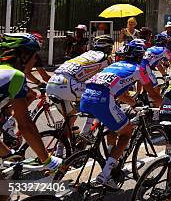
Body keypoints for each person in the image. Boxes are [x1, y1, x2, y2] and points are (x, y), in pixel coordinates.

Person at [80, 39, 162, 188]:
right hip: (103, 100)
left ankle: (112, 157)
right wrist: (166, 108)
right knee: (127, 132)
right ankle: (106, 174)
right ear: (139, 57)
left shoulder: (114, 66)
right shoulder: (138, 70)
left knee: (115, 126)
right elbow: (153, 95)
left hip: (86, 96)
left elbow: (121, 93)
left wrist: (134, 104)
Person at [0, 33, 62, 170]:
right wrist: (46, 159)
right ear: (24, 56)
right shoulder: (14, 76)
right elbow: (25, 125)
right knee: (5, 186)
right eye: (34, 57)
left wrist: (7, 154)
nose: (34, 61)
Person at [46, 35, 115, 152]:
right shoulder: (105, 58)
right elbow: (108, 78)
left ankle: (59, 151)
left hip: (53, 82)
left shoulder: (87, 54)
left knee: (70, 117)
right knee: (97, 98)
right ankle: (86, 133)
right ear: (108, 48)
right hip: (68, 84)